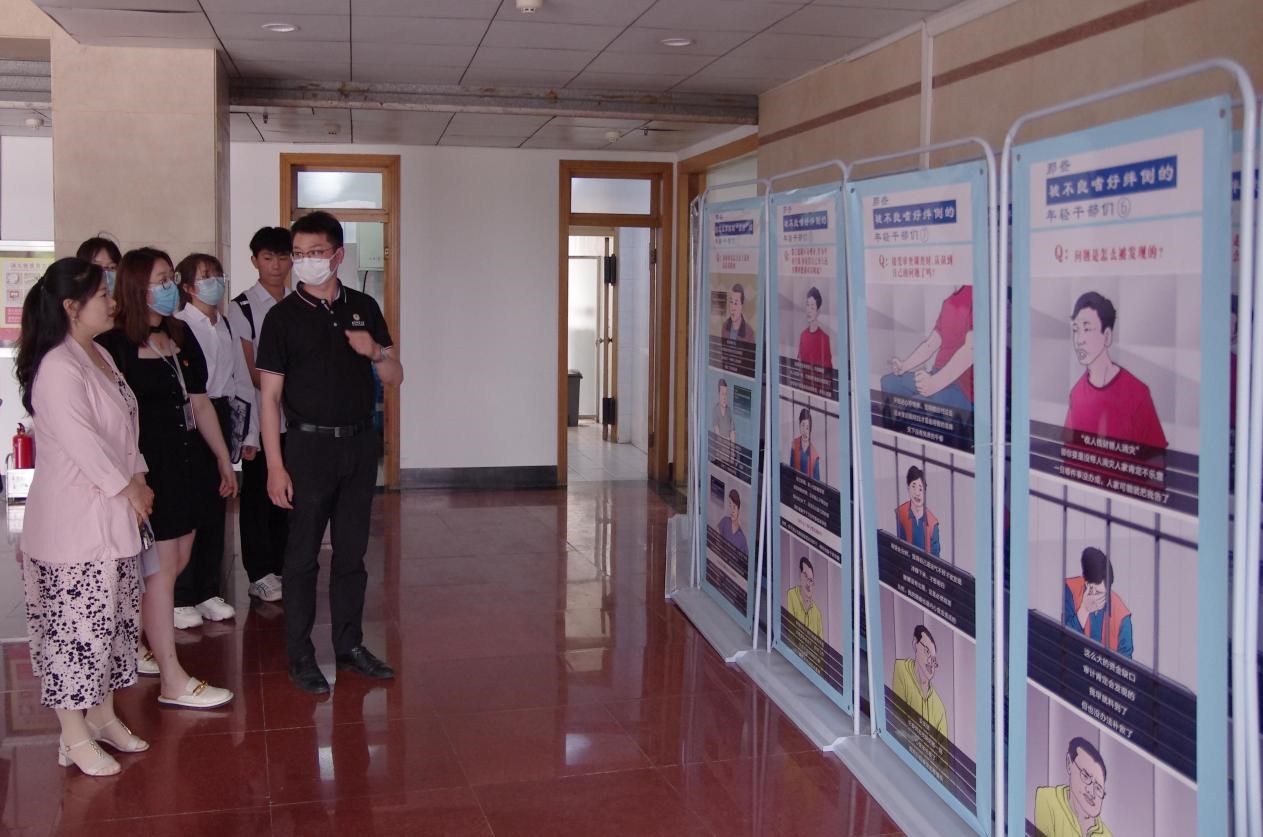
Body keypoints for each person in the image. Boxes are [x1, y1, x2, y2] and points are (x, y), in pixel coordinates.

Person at [256, 211, 404, 694]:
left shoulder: (363, 306)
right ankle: (300, 654)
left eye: (315, 253)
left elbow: (395, 375)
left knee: (352, 553)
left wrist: (374, 352)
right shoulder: (282, 318)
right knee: (301, 556)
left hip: (359, 446)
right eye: (298, 254)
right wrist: (275, 465)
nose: (305, 262)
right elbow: (269, 398)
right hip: (307, 448)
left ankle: (349, 645)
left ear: (338, 255)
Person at [15, 258, 153, 776]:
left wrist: (138, 477)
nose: (113, 303)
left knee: (112, 624)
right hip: (72, 524)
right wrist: (129, 487)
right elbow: (83, 443)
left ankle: (103, 717)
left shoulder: (99, 353)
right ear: (72, 307)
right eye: (103, 295)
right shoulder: (57, 366)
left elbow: (124, 431)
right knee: (75, 633)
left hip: (114, 515)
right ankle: (72, 735)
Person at [97, 247, 235, 709]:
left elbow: (200, 403)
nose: (170, 286)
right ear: (136, 286)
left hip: (188, 461)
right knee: (160, 569)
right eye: (160, 279)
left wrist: (222, 458)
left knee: (177, 559)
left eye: (171, 278)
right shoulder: (115, 344)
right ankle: (170, 673)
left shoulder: (178, 333)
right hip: (148, 467)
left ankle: (144, 643)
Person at [172, 253, 258, 626]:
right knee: (189, 506)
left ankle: (208, 590)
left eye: (218, 274)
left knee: (217, 501)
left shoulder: (224, 324)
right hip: (190, 418)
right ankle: (181, 594)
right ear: (188, 286)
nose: (214, 282)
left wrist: (248, 432)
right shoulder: (179, 326)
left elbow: (241, 380)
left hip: (221, 413)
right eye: (205, 276)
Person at [227, 227, 293, 603]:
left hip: (295, 418)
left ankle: (284, 565)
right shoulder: (243, 307)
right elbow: (249, 371)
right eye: (268, 258)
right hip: (259, 417)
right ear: (255, 261)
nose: (276, 265)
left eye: (283, 257)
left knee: (289, 494)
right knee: (257, 498)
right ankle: (260, 573)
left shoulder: (300, 302)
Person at [1063, 291, 1167, 449]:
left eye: (1087, 329)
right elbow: (1068, 451)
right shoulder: (1076, 394)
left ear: (1107, 336)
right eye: (1076, 330)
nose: (1079, 340)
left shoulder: (1137, 393)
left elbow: (1156, 457)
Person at [881, 285, 973, 411]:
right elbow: (930, 344)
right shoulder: (948, 302)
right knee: (888, 382)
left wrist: (934, 383)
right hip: (936, 373)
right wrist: (904, 366)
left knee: (913, 405)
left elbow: (970, 350)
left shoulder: (974, 294)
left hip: (961, 388)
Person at [1062, 547, 1133, 658]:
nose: (1096, 596)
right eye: (1092, 589)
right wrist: (1084, 610)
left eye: (1101, 593)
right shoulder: (1071, 589)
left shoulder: (1122, 616)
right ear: (1086, 582)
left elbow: (1125, 660)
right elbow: (1062, 641)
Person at [1033, 737, 1111, 837]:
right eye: (1086, 776)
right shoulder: (1047, 798)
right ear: (1069, 764)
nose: (1092, 792)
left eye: (1098, 788)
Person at [891, 624, 948, 737]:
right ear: (915, 644)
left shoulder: (939, 707)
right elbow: (897, 724)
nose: (931, 662)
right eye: (927, 651)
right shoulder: (901, 669)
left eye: (934, 659)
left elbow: (943, 747)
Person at [895, 466, 940, 557]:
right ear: (908, 488)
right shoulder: (901, 512)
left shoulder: (933, 523)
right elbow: (900, 546)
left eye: (920, 489)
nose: (917, 493)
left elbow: (935, 556)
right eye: (913, 487)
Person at [785, 556, 824, 638]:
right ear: (800, 575)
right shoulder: (792, 595)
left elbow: (821, 642)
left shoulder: (817, 614)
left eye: (811, 580)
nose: (808, 583)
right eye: (805, 576)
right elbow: (791, 630)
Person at [797, 286, 833, 369]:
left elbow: (828, 371)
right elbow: (799, 363)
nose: (809, 310)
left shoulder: (825, 339)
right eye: (807, 305)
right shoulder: (803, 335)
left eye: (812, 307)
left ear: (818, 311)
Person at [790, 407, 821, 480]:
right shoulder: (794, 443)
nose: (805, 431)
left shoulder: (815, 455)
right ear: (799, 426)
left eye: (807, 427)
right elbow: (790, 468)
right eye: (803, 425)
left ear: (810, 429)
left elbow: (817, 481)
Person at [716, 488, 748, 558]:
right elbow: (716, 537)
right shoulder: (725, 521)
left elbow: (744, 561)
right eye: (730, 506)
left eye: (734, 507)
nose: (732, 510)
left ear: (739, 509)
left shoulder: (742, 539)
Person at [712, 378, 736, 443]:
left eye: (726, 394)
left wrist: (732, 448)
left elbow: (732, 432)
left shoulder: (729, 411)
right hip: (719, 447)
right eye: (723, 394)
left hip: (728, 446)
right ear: (719, 394)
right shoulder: (716, 410)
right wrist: (728, 439)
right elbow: (717, 435)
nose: (724, 397)